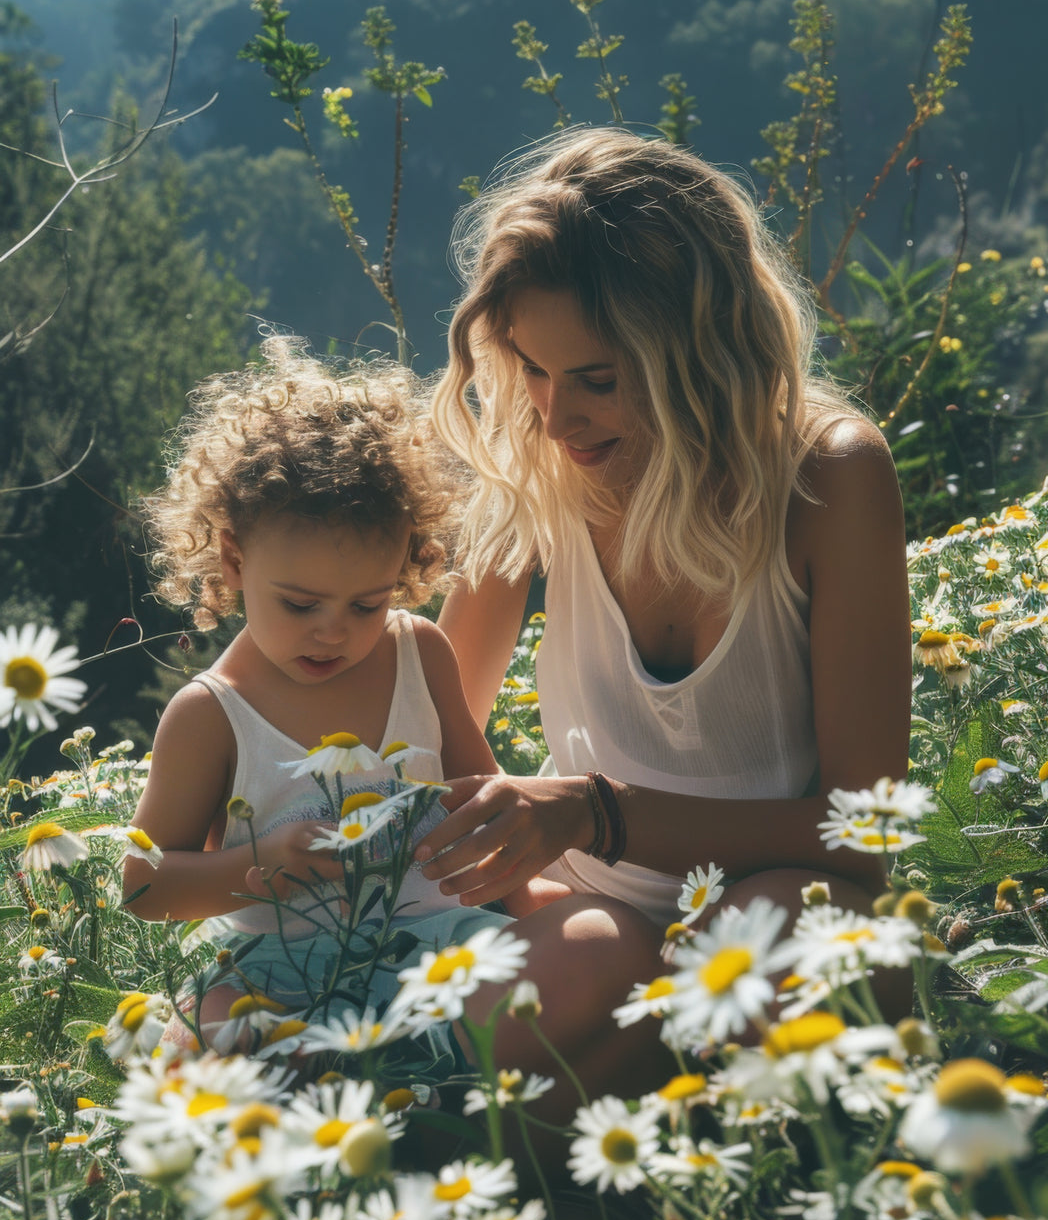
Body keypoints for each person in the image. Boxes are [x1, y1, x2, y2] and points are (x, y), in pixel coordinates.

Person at [421, 126, 913, 1100]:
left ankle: (615, 1121)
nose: (555, 417)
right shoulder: (541, 465)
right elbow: (425, 723)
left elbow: (861, 836)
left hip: (773, 900)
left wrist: (598, 811)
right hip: (589, 912)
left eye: (596, 379)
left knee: (770, 961)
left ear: (698, 348)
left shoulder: (827, 478)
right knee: (546, 991)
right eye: (529, 368)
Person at [125, 339, 525, 1049]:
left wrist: (533, 911)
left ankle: (402, 1087)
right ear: (233, 559)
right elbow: (147, 885)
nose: (333, 634)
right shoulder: (213, 715)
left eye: (368, 605)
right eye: (301, 605)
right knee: (220, 1038)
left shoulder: (418, 655)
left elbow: (481, 802)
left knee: (575, 960)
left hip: (435, 947)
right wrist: (261, 868)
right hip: (273, 968)